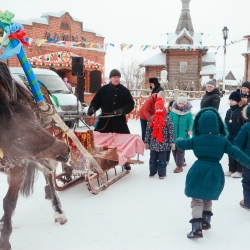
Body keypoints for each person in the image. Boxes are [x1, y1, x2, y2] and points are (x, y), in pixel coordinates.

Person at [176, 107, 250, 239]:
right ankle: (206, 222)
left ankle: (196, 229)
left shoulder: (197, 139)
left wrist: (178, 139)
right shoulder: (222, 140)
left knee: (197, 199)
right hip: (215, 172)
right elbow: (237, 153)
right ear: (218, 124)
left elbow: (182, 145)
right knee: (208, 197)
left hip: (199, 170)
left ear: (199, 123)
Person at [87, 69, 134, 170]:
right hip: (105, 121)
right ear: (110, 78)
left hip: (119, 121)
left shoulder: (124, 91)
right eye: (115, 77)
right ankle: (98, 158)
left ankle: (125, 160)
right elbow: (95, 101)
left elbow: (131, 104)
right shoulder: (103, 90)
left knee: (123, 141)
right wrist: (92, 108)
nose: (117, 79)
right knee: (98, 140)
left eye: (118, 77)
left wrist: (122, 110)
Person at [144, 97, 174, 179]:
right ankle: (152, 172)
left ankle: (162, 173)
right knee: (152, 159)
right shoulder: (152, 118)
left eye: (160, 108)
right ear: (155, 108)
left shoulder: (167, 118)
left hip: (164, 144)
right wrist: (146, 142)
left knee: (162, 160)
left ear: (163, 108)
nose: (159, 110)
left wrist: (171, 142)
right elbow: (148, 131)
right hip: (153, 144)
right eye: (157, 108)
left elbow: (171, 131)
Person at [224, 90, 247, 178]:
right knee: (231, 152)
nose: (231, 102)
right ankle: (231, 169)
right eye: (230, 100)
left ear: (238, 101)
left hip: (238, 135)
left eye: (233, 100)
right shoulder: (229, 111)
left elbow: (244, 124)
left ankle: (239, 170)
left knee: (238, 152)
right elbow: (226, 122)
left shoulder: (242, 111)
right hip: (230, 135)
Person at [169, 93, 193, 173]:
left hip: (183, 135)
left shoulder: (188, 113)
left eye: (183, 103)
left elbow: (191, 122)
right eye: (179, 103)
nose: (181, 105)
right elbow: (169, 122)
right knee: (174, 150)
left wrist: (190, 129)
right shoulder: (173, 112)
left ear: (185, 103)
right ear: (176, 103)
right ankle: (179, 163)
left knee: (180, 150)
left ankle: (179, 166)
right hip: (173, 135)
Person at [234, 105, 250, 210]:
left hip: (247, 160)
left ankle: (248, 202)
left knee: (247, 182)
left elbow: (238, 143)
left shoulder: (246, 127)